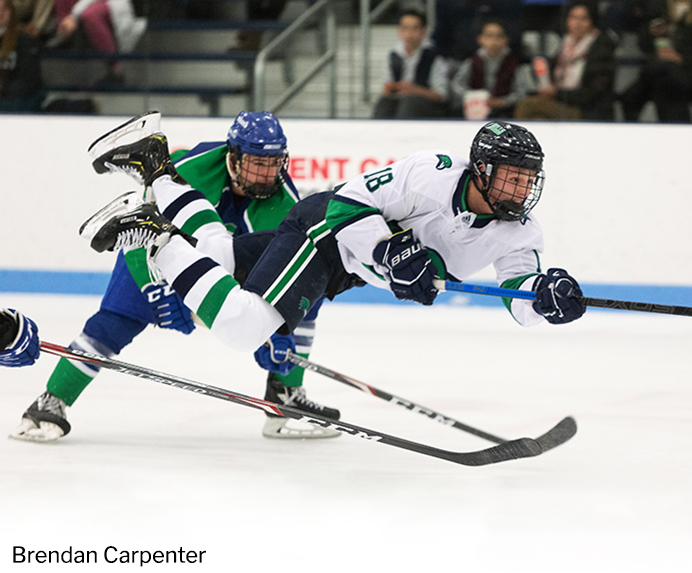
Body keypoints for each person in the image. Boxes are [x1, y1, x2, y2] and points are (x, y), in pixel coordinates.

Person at [78, 120, 587, 379]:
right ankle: (158, 234)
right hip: (325, 234)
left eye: (529, 180)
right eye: (513, 177)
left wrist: (544, 296)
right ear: (481, 169)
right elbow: (347, 201)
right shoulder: (430, 172)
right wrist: (389, 250)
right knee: (241, 327)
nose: (522, 191)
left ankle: (155, 169)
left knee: (217, 253)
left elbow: (519, 297)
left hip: (344, 267)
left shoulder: (522, 232)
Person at [11, 110, 340, 443]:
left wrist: (276, 330)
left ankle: (285, 393)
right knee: (110, 326)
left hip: (231, 258)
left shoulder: (285, 204)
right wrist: (154, 287)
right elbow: (137, 227)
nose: (267, 174)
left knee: (307, 296)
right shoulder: (188, 168)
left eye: (274, 163)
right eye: (258, 163)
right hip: (157, 249)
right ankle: (51, 403)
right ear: (234, 156)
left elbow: (286, 275)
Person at [618, 0, 692, 123]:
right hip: (660, 68)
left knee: (665, 84)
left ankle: (674, 131)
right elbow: (644, 45)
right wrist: (652, 33)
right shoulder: (659, 4)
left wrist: (680, 58)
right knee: (632, 96)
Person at [515, 1, 617, 121]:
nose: (577, 23)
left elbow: (594, 92)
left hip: (586, 110)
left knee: (528, 105)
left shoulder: (601, 47)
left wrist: (558, 94)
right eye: (573, 17)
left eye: (583, 18)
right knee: (538, 116)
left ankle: (515, 139)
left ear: (592, 21)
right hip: (561, 103)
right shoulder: (565, 44)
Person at [372, 8, 450, 119]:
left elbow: (442, 96)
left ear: (423, 31)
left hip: (429, 107)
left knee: (409, 101)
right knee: (384, 102)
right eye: (405, 28)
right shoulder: (393, 55)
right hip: (401, 101)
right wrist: (391, 88)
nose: (409, 33)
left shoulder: (434, 56)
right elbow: (387, 87)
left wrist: (414, 90)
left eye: (415, 28)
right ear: (399, 31)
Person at [450, 17, 532, 119]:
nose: (494, 41)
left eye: (499, 36)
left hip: (505, 112)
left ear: (505, 40)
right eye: (489, 36)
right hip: (474, 109)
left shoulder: (514, 64)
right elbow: (457, 85)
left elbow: (521, 92)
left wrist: (502, 102)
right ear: (480, 39)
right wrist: (473, 97)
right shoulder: (472, 62)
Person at [51, 0, 146, 86]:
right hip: (80, 11)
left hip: (110, 4)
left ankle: (115, 70)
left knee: (90, 15)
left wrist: (74, 16)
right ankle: (59, 34)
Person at [0, 0, 44, 112]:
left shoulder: (24, 40)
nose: (0, 13)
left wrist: (3, 91)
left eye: (4, 9)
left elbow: (28, 80)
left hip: (20, 100)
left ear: (11, 12)